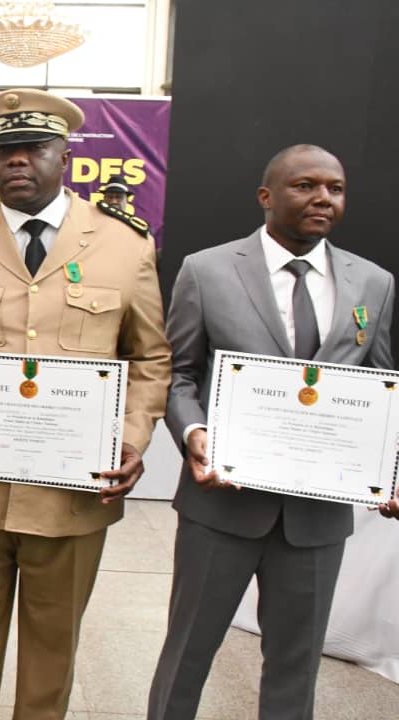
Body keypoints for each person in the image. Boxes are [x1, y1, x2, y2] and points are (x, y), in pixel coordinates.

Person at [0, 88, 172, 719]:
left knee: (49, 665)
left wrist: (134, 436)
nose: (17, 162)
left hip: (73, 495)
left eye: (34, 148)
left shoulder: (124, 244)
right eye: (4, 150)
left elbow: (150, 356)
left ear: (66, 155)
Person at [147, 144, 399, 720]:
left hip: (317, 517)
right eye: (305, 186)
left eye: (334, 188)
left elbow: (380, 389)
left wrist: (389, 467)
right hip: (221, 508)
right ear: (266, 197)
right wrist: (193, 436)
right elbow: (178, 375)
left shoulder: (374, 283)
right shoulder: (207, 270)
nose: (323, 199)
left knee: (295, 663)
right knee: (187, 654)